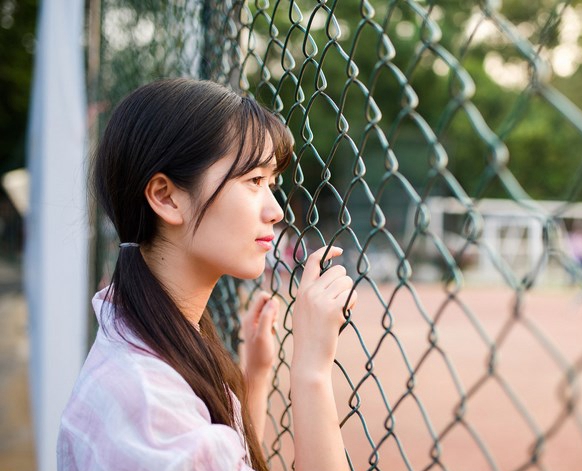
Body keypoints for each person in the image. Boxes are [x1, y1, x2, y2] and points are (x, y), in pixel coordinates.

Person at [57, 78, 357, 471]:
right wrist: (311, 370)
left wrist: (256, 374)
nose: (276, 210)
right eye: (254, 181)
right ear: (166, 197)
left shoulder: (138, 331)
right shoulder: (153, 418)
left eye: (273, 183)